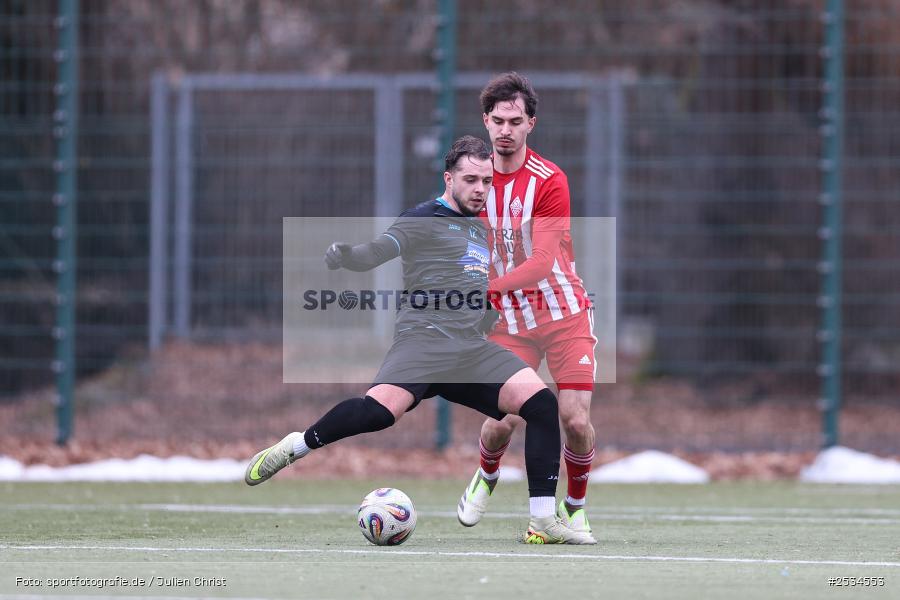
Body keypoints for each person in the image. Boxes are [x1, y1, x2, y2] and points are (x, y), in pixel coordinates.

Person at [244, 135, 594, 545]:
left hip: (468, 350)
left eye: (486, 181)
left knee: (540, 404)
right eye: (470, 180)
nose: (480, 189)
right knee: (378, 414)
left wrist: (484, 312)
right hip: (423, 344)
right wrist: (348, 255)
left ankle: (543, 519)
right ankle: (296, 445)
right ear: (449, 179)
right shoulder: (422, 217)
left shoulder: (482, 229)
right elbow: (379, 251)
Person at [456, 73, 598, 543]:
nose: (505, 130)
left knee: (574, 419)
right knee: (502, 422)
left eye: (515, 121)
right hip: (511, 323)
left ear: (530, 124)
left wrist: (486, 290)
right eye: (497, 120)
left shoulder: (549, 180)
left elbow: (540, 263)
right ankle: (487, 473)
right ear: (485, 120)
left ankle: (573, 509)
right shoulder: (473, 181)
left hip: (565, 314)